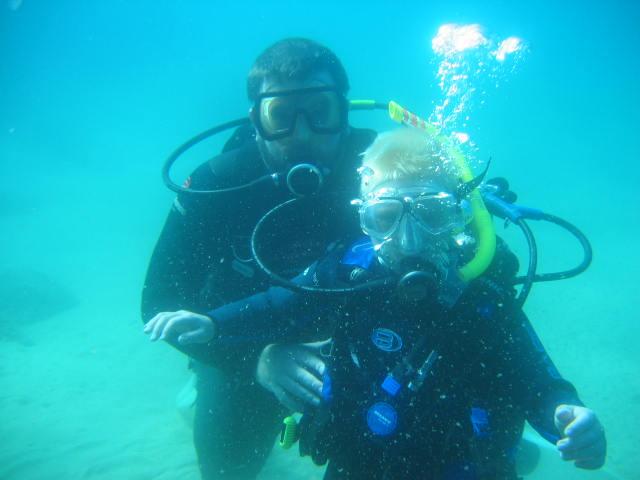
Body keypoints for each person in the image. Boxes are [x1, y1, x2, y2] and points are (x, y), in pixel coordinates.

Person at [147, 128, 607, 479]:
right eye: (386, 217)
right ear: (363, 217)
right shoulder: (346, 272)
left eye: (432, 214)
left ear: (459, 216)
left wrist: (566, 415)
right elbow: (279, 305)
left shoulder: (482, 301)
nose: (409, 240)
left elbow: (535, 378)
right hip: (357, 459)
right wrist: (213, 324)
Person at [141, 38, 376, 480]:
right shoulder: (215, 185)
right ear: (256, 120)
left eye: (320, 112)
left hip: (364, 343)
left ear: (343, 113)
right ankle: (201, 386)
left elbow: (474, 270)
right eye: (281, 117)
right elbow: (159, 304)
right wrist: (256, 360)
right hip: (240, 344)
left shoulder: (386, 168)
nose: (302, 134)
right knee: (228, 469)